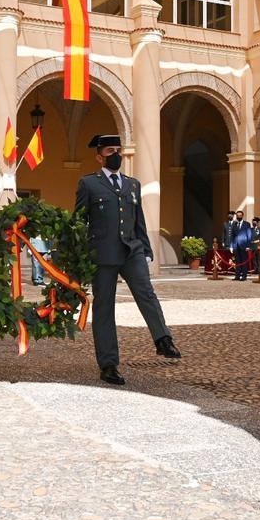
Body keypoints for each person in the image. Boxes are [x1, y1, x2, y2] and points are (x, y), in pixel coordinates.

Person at [77, 134, 180, 386]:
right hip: (103, 254)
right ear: (99, 155)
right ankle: (109, 364)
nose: (116, 155)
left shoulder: (133, 184)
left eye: (118, 150)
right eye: (111, 151)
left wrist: (146, 250)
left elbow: (139, 220)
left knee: (146, 293)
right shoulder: (89, 184)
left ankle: (162, 339)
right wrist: (79, 256)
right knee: (104, 309)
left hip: (132, 250)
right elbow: (79, 222)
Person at [229, 211, 251, 281]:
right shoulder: (234, 224)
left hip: (244, 246)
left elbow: (249, 235)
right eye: (237, 215)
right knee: (237, 261)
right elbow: (232, 236)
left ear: (242, 216)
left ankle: (244, 276)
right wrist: (231, 246)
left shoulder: (247, 224)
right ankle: (237, 276)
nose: (239, 217)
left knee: (244, 261)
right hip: (236, 246)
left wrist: (248, 246)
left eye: (240, 215)